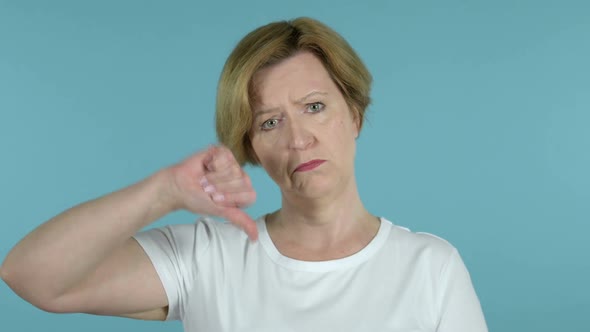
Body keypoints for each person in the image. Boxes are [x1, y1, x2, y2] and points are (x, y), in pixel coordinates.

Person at [0, 17, 488, 331]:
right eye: (270, 122)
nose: (298, 139)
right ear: (250, 144)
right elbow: (32, 276)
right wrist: (164, 192)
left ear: (354, 115)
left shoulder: (431, 268)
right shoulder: (207, 257)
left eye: (314, 107)